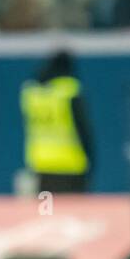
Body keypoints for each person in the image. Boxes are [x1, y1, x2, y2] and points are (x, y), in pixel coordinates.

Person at [20, 49, 93, 194]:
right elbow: (83, 130)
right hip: (72, 167)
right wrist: (91, 160)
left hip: (41, 166)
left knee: (48, 215)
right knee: (70, 215)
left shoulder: (31, 93)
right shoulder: (69, 90)